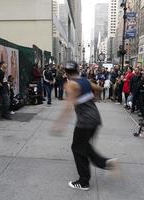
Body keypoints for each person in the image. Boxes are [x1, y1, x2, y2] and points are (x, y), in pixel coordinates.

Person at [52, 61, 118, 191]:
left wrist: (60, 124)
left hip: (85, 122)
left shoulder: (70, 84)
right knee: (84, 146)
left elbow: (68, 106)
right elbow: (99, 88)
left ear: (66, 72)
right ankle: (105, 163)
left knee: (77, 148)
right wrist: (92, 96)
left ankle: (84, 182)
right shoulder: (85, 81)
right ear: (77, 70)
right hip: (95, 119)